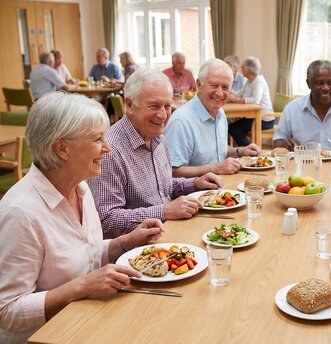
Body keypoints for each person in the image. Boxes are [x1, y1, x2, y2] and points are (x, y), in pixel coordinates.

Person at [0, 92, 163, 343]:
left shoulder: (81, 187)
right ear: (62, 148)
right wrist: (80, 287)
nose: (108, 148)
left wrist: (125, 242)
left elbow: (81, 253)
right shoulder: (20, 213)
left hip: (87, 320)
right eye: (98, 139)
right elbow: (7, 312)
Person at [88, 68, 222, 239]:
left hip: (169, 232)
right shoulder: (110, 151)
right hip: (137, 251)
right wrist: (164, 211)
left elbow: (161, 189)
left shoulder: (157, 137)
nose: (163, 115)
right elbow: (107, 221)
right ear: (129, 105)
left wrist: (194, 184)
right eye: (154, 106)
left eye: (167, 106)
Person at [164, 59, 261, 178]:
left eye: (225, 87)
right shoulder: (181, 122)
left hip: (219, 187)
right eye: (214, 85)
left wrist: (240, 151)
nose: (220, 93)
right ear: (198, 85)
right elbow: (173, 171)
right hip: (194, 194)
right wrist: (216, 168)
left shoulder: (220, 113)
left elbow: (216, 150)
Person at [227, 56, 275, 146]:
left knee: (235, 129)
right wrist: (229, 91)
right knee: (232, 127)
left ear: (249, 69)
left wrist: (236, 100)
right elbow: (239, 93)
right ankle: (249, 150)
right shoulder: (249, 81)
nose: (241, 69)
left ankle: (252, 152)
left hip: (264, 119)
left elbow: (255, 101)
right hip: (253, 117)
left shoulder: (258, 81)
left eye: (243, 67)